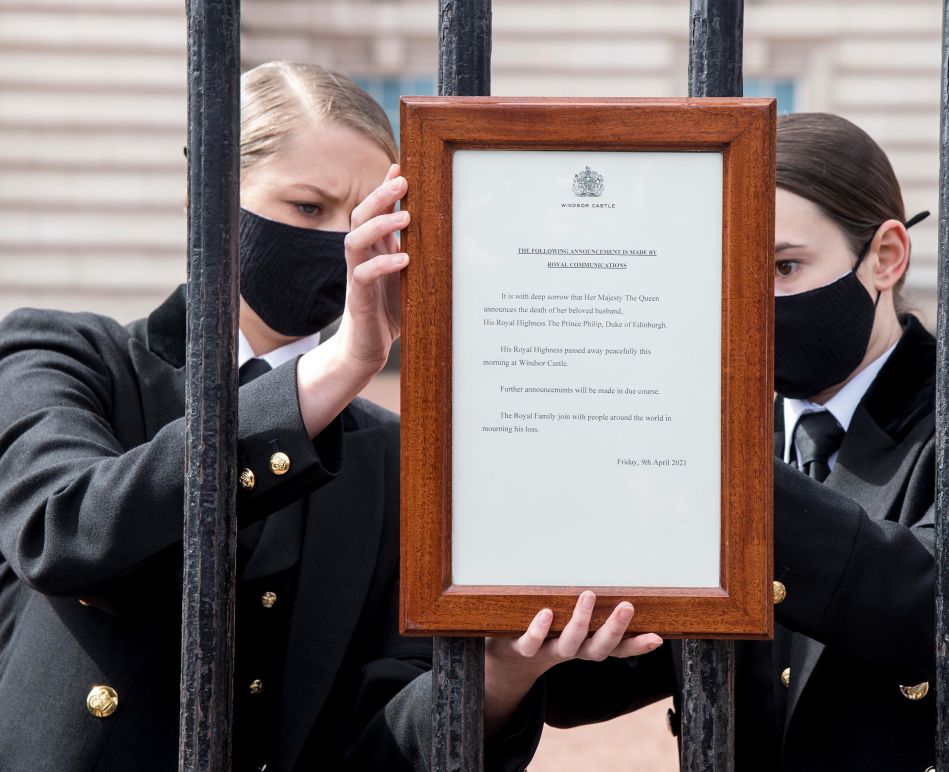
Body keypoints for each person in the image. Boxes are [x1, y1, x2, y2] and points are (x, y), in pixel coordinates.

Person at [0, 61, 654, 771]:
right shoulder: (69, 354)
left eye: (366, 220)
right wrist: (342, 366)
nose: (345, 246)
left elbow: (379, 748)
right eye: (308, 209)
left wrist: (498, 674)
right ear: (206, 197)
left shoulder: (394, 457)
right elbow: (63, 533)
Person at [521, 112, 949, 771]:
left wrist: (713, 464)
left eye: (783, 266)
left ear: (885, 257)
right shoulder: (717, 442)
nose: (748, 300)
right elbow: (582, 683)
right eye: (724, 272)